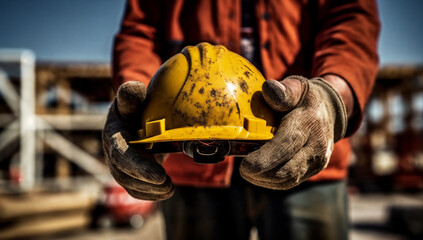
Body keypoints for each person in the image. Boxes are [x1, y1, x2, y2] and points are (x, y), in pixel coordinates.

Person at [103, 0, 380, 239]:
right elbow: (140, 31)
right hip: (185, 157)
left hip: (301, 143)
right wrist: (139, 106)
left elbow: (350, 17)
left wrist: (332, 97)